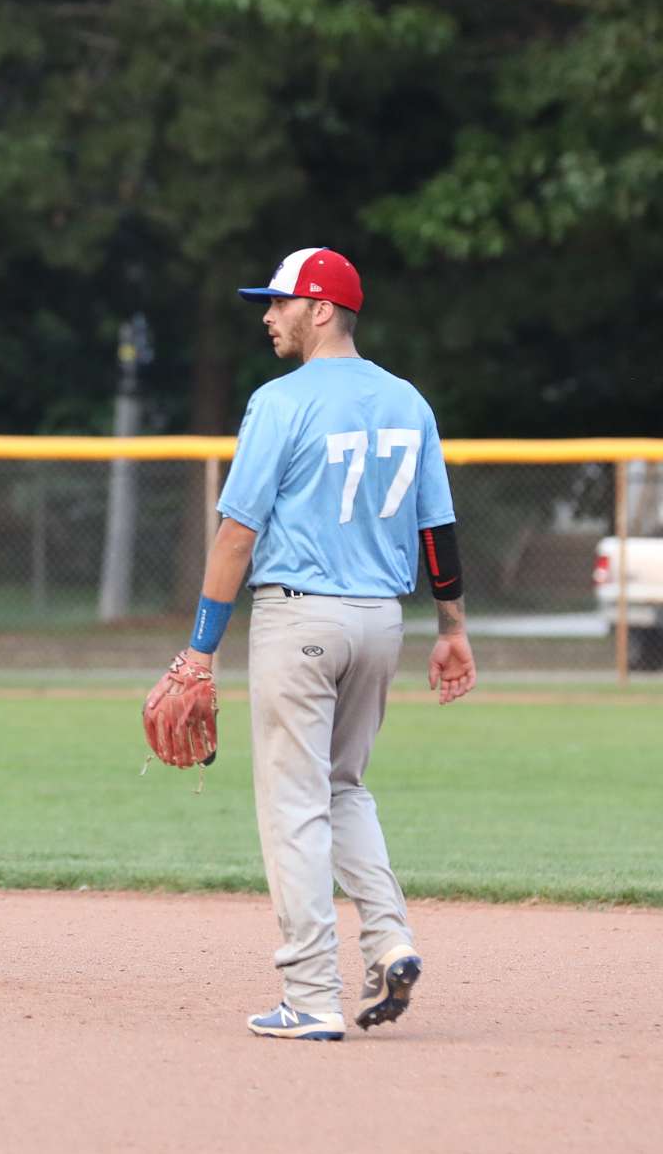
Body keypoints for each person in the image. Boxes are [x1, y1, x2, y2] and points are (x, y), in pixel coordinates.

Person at [154, 247, 477, 1041]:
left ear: (321, 309)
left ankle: (309, 994)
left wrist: (199, 651)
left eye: (280, 302)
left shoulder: (280, 401)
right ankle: (389, 939)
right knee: (343, 788)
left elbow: (237, 536)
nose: (269, 316)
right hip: (380, 622)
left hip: (299, 617)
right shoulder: (408, 402)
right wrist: (453, 628)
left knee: (294, 803)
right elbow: (437, 531)